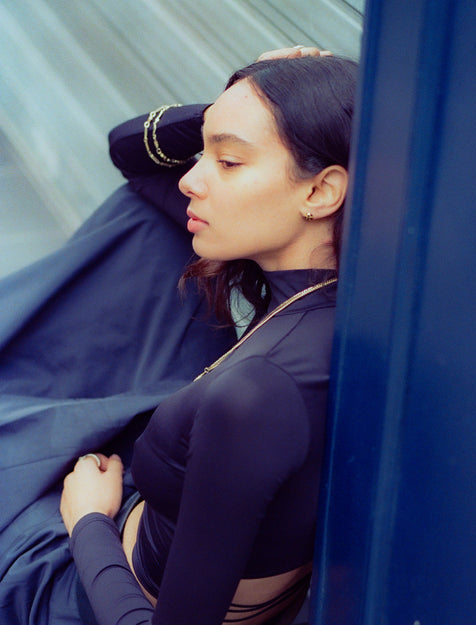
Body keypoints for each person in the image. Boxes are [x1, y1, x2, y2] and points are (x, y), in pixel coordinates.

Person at [2, 47, 357, 625]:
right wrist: (252, 100)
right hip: (122, 547)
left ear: (319, 193)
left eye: (230, 163)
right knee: (146, 218)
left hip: (82, 595)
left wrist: (88, 520)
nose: (190, 179)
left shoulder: (259, 393)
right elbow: (135, 162)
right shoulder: (337, 294)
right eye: (203, 155)